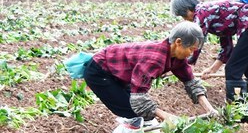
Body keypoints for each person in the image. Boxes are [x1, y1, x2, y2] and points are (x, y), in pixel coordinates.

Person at [83, 21, 216, 122]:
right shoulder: (154, 60)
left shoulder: (177, 57)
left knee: (138, 113)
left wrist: (210, 109)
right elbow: (139, 98)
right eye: (191, 49)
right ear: (178, 42)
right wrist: (167, 117)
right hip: (99, 71)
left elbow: (191, 83)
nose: (191, 54)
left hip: (117, 74)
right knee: (132, 112)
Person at [170, 0, 248, 101]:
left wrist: (186, 64)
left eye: (183, 15)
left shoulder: (201, 12)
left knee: (233, 69)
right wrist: (212, 69)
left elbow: (196, 40)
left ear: (188, 9)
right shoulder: (214, 14)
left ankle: (237, 106)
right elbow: (227, 48)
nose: (185, 19)